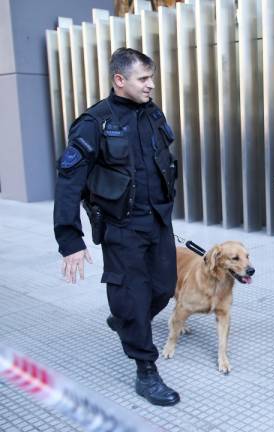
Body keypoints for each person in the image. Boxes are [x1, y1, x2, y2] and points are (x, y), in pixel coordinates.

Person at [53, 48, 180, 406]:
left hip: (157, 222)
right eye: (144, 78)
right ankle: (146, 370)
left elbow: (164, 164)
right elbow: (68, 181)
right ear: (119, 80)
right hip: (121, 227)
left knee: (164, 288)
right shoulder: (94, 123)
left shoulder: (152, 115)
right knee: (134, 294)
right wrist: (70, 239)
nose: (151, 85)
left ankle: (125, 319)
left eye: (152, 78)